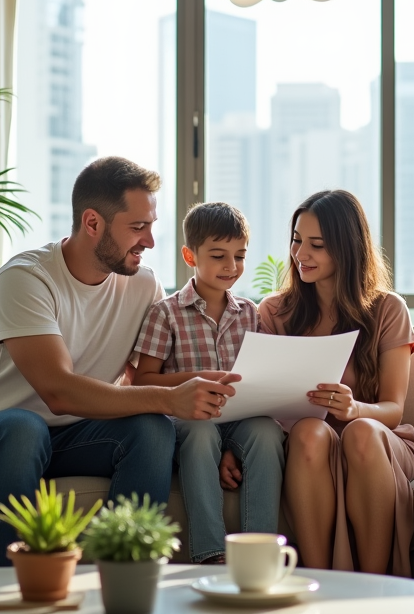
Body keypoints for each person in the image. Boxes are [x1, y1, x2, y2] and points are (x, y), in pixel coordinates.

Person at [0, 157, 237, 567]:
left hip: (76, 436)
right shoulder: (27, 279)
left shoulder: (143, 285)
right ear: (93, 223)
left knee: (151, 428)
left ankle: (122, 582)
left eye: (150, 226)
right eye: (137, 227)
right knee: (24, 429)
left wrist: (212, 441)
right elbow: (58, 390)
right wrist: (168, 401)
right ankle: (0, 595)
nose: (150, 241)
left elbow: (145, 382)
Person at [258, 189, 414, 576]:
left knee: (361, 431)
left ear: (347, 249)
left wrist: (353, 409)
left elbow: (393, 409)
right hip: (306, 444)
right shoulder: (275, 311)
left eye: (317, 245)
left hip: (379, 441)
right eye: (297, 240)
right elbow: (263, 399)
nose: (301, 254)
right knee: (309, 432)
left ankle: (371, 585)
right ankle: (322, 583)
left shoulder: (387, 309)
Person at [133, 202, 284, 564]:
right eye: (218, 256)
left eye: (239, 256)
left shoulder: (249, 312)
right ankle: (210, 554)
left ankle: (260, 553)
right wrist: (201, 380)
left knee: (266, 432)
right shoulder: (165, 312)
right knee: (201, 434)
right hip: (191, 418)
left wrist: (230, 447)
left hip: (240, 418)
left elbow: (258, 378)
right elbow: (142, 381)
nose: (231, 266)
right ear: (190, 255)